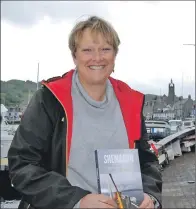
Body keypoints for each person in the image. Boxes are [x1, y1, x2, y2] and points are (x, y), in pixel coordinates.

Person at [8, 16, 162, 209]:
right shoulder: (49, 100)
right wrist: (77, 200)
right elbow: (22, 165)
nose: (97, 57)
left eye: (105, 49)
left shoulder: (131, 101)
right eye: (87, 50)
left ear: (115, 55)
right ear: (75, 56)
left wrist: (150, 195)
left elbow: (147, 161)